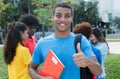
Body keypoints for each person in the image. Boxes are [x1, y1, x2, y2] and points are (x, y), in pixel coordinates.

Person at [29, 2, 102, 79]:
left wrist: (87, 61)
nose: (63, 19)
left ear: (71, 18)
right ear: (53, 17)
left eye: (67, 16)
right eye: (58, 15)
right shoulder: (42, 43)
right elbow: (31, 69)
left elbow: (99, 71)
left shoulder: (81, 41)